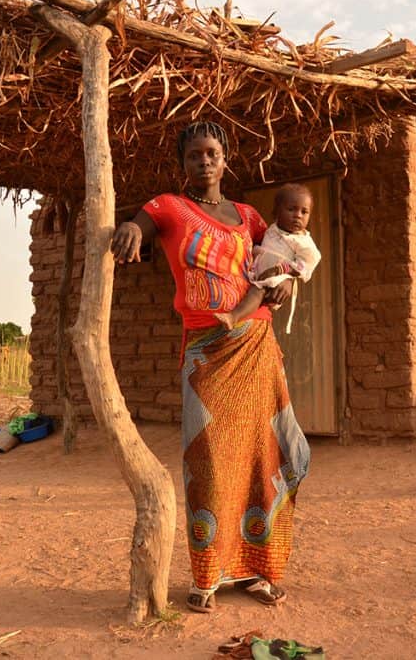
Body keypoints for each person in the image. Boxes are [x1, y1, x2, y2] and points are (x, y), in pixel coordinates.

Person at [110, 121, 310, 614]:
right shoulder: (169, 207)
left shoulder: (248, 216)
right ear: (184, 163)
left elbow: (283, 255)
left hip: (256, 344)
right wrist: (132, 228)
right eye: (195, 154)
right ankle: (209, 575)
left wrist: (287, 282)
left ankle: (261, 570)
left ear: (225, 159)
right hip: (206, 352)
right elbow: (142, 223)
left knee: (265, 458)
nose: (204, 161)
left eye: (212, 153)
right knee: (207, 463)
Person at [213, 183, 321, 333]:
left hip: (277, 277)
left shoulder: (303, 241)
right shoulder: (272, 229)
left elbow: (310, 261)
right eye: (291, 209)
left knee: (257, 292)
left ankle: (233, 317)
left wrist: (286, 273)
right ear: (276, 212)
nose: (298, 215)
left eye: (304, 212)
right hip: (258, 269)